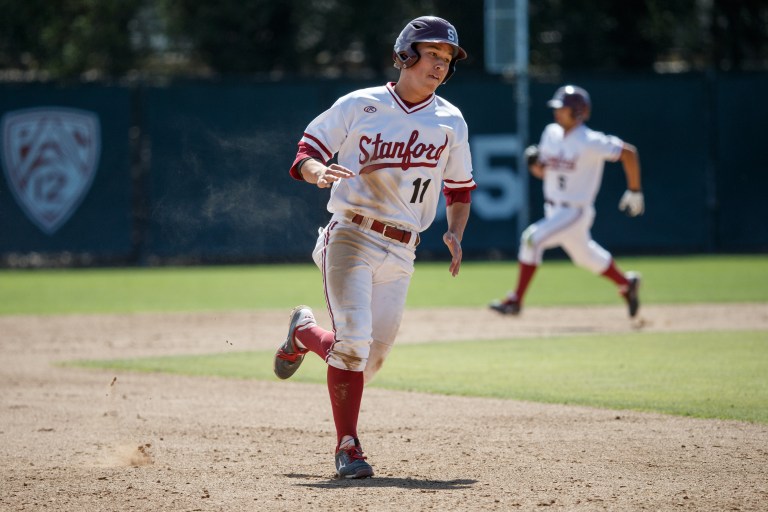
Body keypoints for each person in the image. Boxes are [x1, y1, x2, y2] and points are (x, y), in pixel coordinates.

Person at [272, 16, 476, 479]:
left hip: (404, 249)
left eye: (447, 59)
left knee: (372, 359)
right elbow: (305, 152)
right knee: (353, 346)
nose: (440, 65)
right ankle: (348, 447)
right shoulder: (360, 105)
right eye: (432, 55)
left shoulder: (450, 120)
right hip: (350, 234)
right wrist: (317, 172)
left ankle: (303, 332)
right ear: (406, 54)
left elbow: (460, 189)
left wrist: (455, 232)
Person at [490, 85, 645, 318]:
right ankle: (627, 283)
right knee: (586, 257)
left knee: (531, 239)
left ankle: (516, 300)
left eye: (563, 109)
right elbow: (543, 171)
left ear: (579, 112)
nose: (557, 112)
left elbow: (629, 153)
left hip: (574, 211)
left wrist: (635, 190)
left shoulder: (590, 140)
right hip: (553, 210)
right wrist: (534, 165)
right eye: (557, 108)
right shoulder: (550, 133)